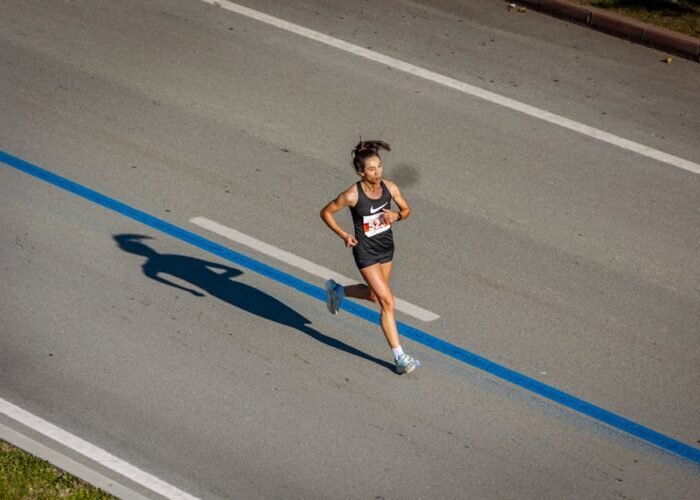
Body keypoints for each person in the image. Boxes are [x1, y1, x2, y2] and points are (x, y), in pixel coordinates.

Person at [320, 140, 420, 374]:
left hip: (386, 248)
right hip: (365, 252)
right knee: (388, 302)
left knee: (376, 297)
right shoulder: (352, 195)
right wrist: (344, 234)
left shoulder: (390, 188)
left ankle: (337, 291)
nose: (377, 173)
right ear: (360, 171)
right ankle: (400, 358)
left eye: (380, 167)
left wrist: (396, 216)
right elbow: (326, 212)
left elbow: (406, 210)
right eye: (372, 169)